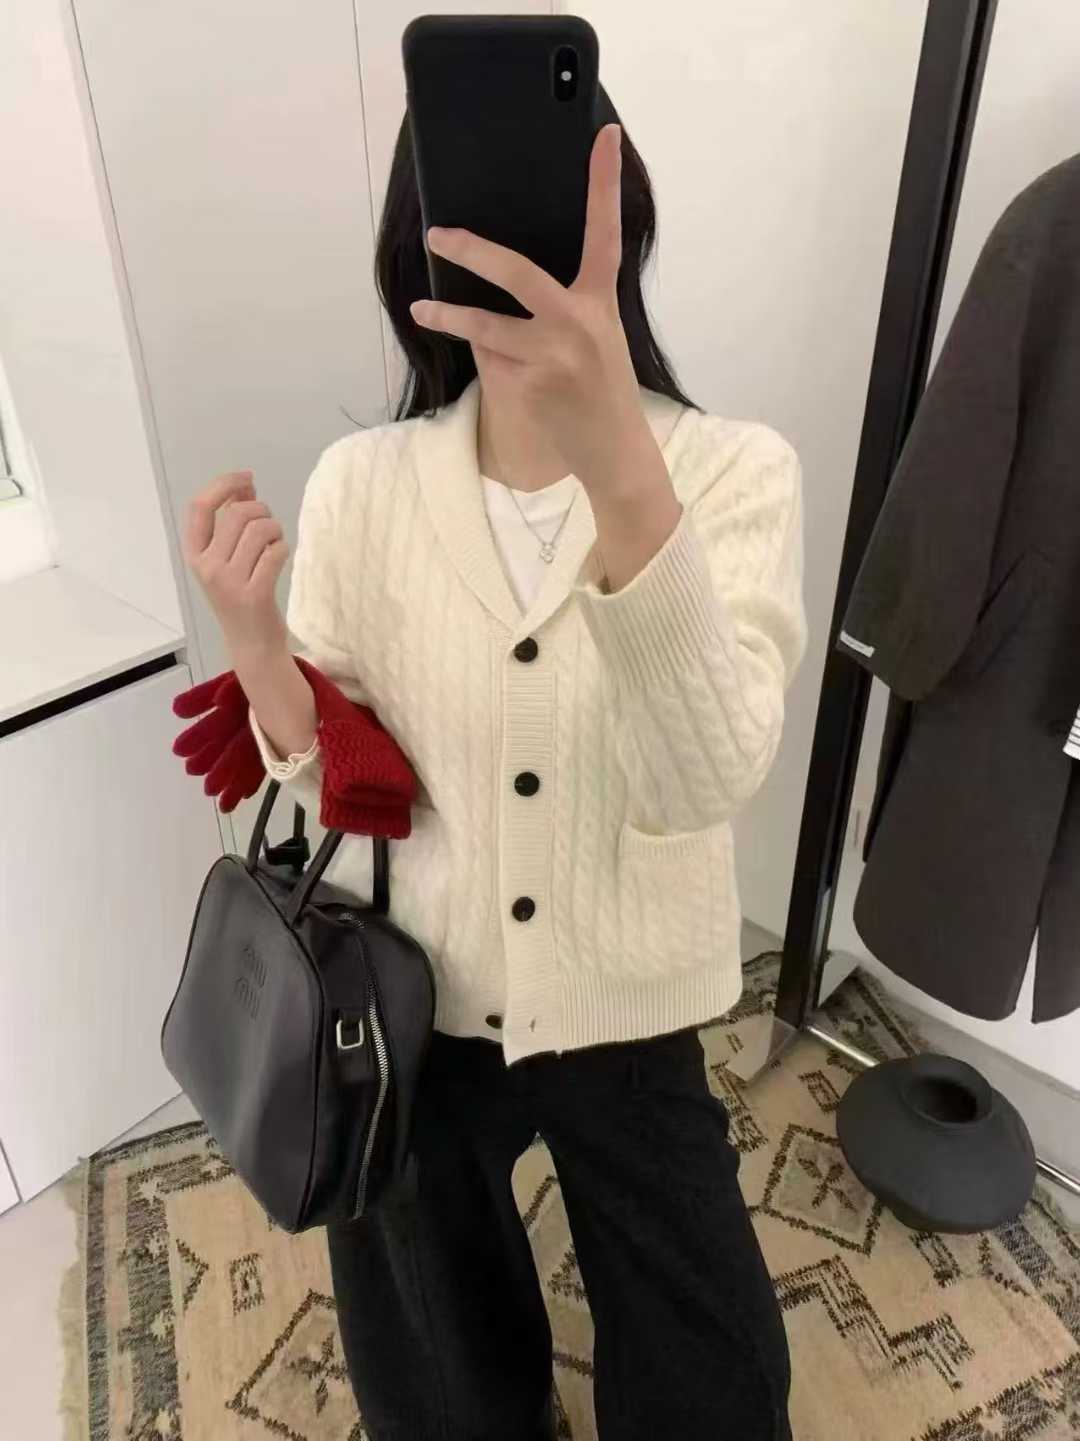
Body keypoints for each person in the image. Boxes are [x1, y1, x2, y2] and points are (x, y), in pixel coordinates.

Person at [181, 111, 805, 1441]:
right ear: (418, 252)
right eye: (467, 222)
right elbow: (346, 789)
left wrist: (623, 473)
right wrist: (258, 647)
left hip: (631, 996)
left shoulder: (735, 473)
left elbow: (705, 780)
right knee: (434, 1373)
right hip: (424, 994)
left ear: (620, 225)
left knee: (721, 1382)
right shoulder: (363, 483)